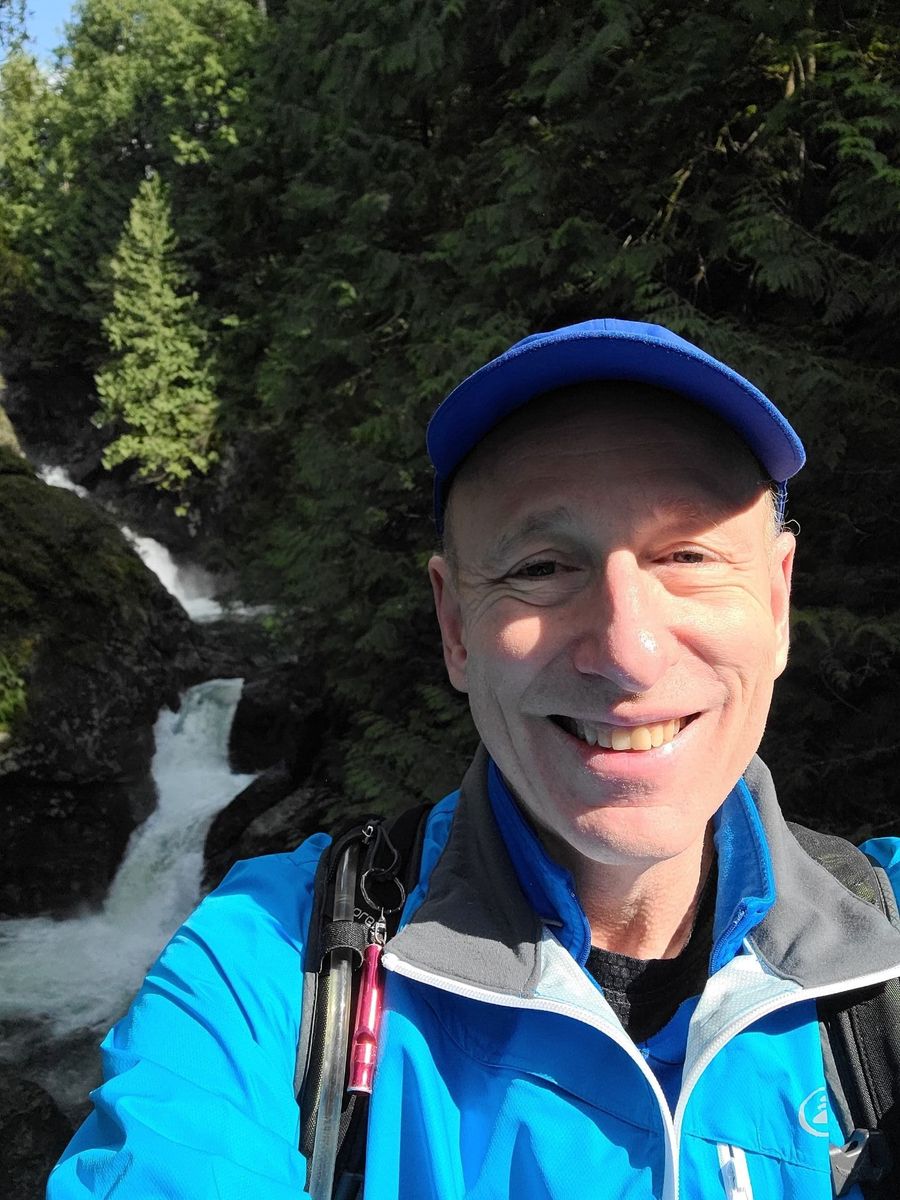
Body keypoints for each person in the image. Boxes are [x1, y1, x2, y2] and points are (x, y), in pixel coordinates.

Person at [48, 319, 900, 1199]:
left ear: (777, 601)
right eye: (540, 568)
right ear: (455, 627)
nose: (629, 652)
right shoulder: (267, 967)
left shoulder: (890, 945)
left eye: (688, 555)